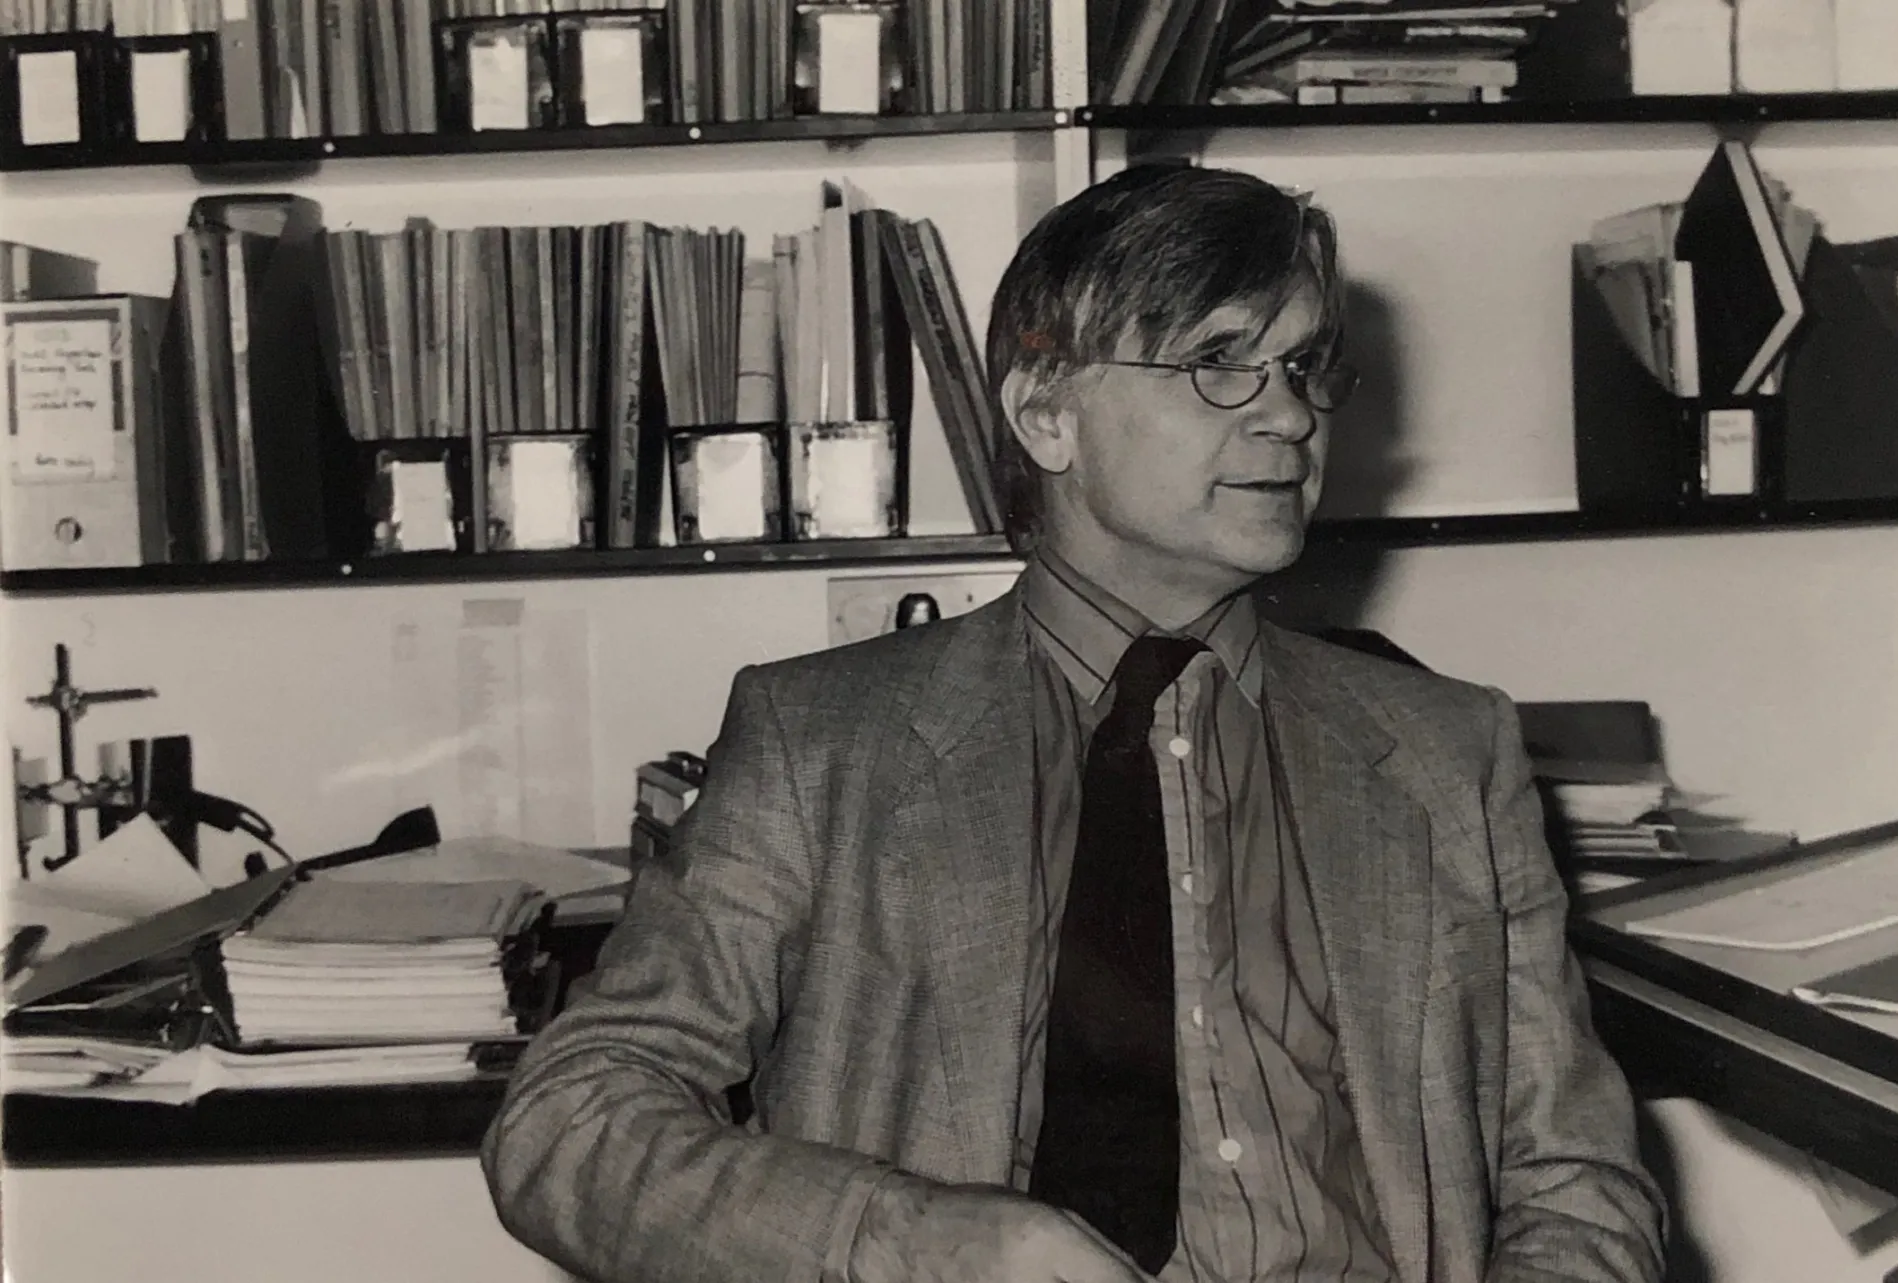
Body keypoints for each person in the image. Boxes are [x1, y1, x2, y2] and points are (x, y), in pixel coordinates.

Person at [481, 162, 1667, 1283]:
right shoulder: (820, 743)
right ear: (1046, 415)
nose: (1290, 418)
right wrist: (909, 1242)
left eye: (1305, 368)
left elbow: (1577, 1186)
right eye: (1218, 361)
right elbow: (570, 1114)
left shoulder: (1447, 752)